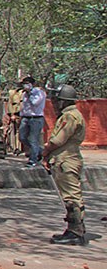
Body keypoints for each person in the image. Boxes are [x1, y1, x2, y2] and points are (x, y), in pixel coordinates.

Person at [42, 85, 87, 246]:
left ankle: (76, 232)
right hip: (66, 159)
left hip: (66, 160)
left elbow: (58, 140)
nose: (55, 103)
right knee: (70, 196)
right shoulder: (72, 115)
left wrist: (45, 151)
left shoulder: (70, 116)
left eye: (57, 100)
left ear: (63, 101)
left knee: (71, 197)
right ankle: (74, 228)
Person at [17, 77, 47, 167]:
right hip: (26, 118)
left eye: (27, 83)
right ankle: (40, 150)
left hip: (36, 118)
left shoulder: (39, 93)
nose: (25, 86)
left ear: (32, 84)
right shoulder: (24, 94)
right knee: (22, 137)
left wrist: (30, 93)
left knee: (33, 139)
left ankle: (33, 159)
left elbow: (35, 103)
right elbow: (24, 106)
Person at [4, 85, 23, 155]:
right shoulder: (13, 93)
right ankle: (16, 148)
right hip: (17, 114)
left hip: (27, 114)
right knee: (16, 131)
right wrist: (12, 114)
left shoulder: (27, 93)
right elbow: (10, 104)